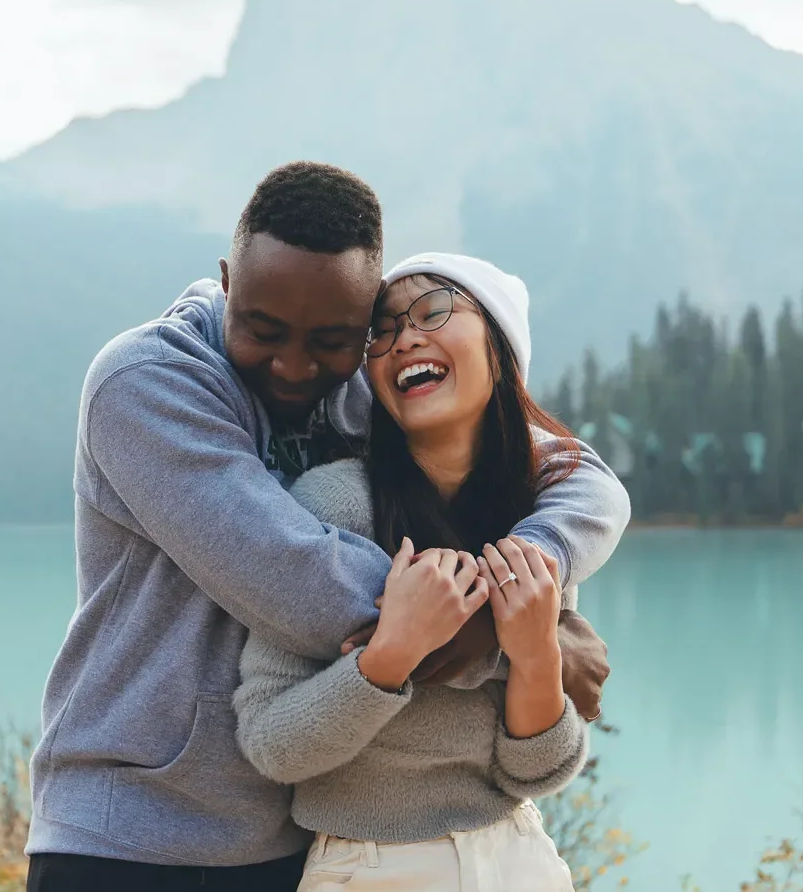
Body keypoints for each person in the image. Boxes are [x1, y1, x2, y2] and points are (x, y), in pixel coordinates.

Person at [25, 162, 631, 892]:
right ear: (226, 281)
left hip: (293, 840)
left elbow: (579, 477)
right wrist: (520, 639)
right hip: (132, 838)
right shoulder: (147, 383)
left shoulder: (358, 377)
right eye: (263, 329)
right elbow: (293, 576)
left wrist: (535, 571)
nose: (294, 365)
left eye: (333, 339)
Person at [235, 254, 591, 890]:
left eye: (434, 311)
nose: (405, 338)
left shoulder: (537, 520)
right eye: (384, 328)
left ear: (501, 346)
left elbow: (535, 773)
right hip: (368, 868)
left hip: (519, 859)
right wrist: (391, 656)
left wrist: (536, 656)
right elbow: (269, 745)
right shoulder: (333, 506)